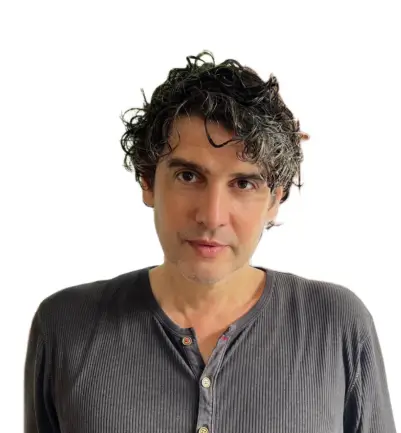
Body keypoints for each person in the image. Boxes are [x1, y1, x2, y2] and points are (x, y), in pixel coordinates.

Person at [24, 51, 397, 433]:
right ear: (148, 180)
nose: (212, 215)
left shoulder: (336, 325)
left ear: (274, 200)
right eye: (188, 176)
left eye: (243, 183)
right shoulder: (65, 326)